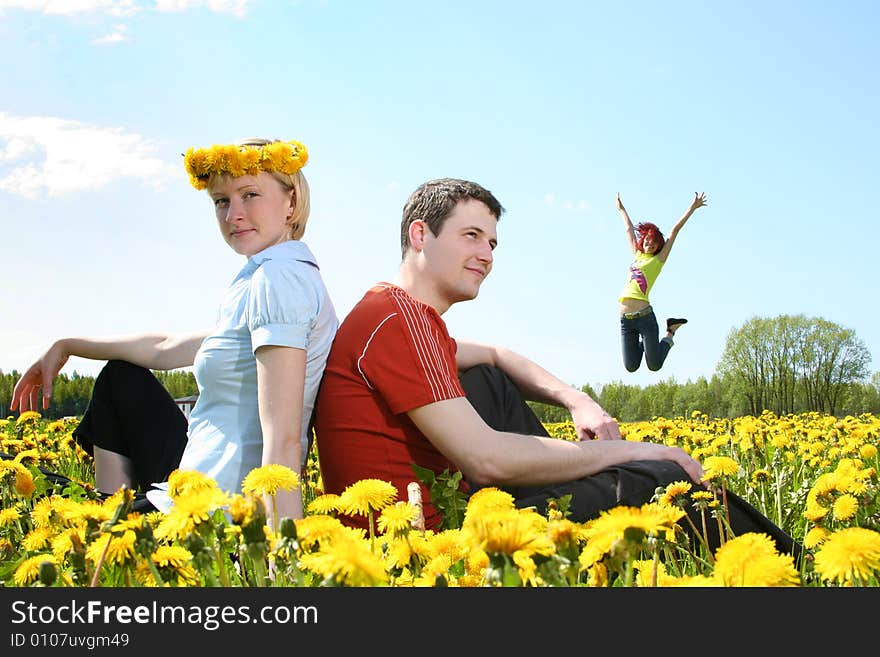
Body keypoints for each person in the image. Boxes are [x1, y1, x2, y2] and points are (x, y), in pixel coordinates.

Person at [313, 178, 798, 558]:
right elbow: (487, 459)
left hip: (436, 520)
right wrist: (634, 451)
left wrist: (576, 399)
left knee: (488, 377)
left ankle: (568, 489)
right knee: (661, 479)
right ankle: (801, 576)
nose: (486, 254)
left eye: (493, 244)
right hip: (428, 548)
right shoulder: (399, 321)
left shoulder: (398, 315)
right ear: (421, 234)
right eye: (471, 236)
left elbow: (498, 355)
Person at [10, 137, 338, 525]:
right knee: (120, 377)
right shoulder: (267, 276)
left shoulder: (278, 279)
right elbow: (166, 347)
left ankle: (114, 532)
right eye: (221, 201)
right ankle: (114, 516)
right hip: (195, 480)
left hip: (220, 510)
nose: (233, 214)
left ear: (292, 202)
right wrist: (67, 346)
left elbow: (282, 439)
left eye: (250, 194)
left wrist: (279, 561)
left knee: (55, 518)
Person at [617, 191, 707, 372]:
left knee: (654, 365)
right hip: (626, 322)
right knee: (631, 366)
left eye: (654, 243)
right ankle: (648, 340)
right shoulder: (637, 255)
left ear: (658, 247)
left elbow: (674, 231)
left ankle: (670, 332)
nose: (649, 244)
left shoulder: (657, 261)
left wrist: (692, 208)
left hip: (645, 318)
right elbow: (628, 228)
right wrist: (621, 209)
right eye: (647, 241)